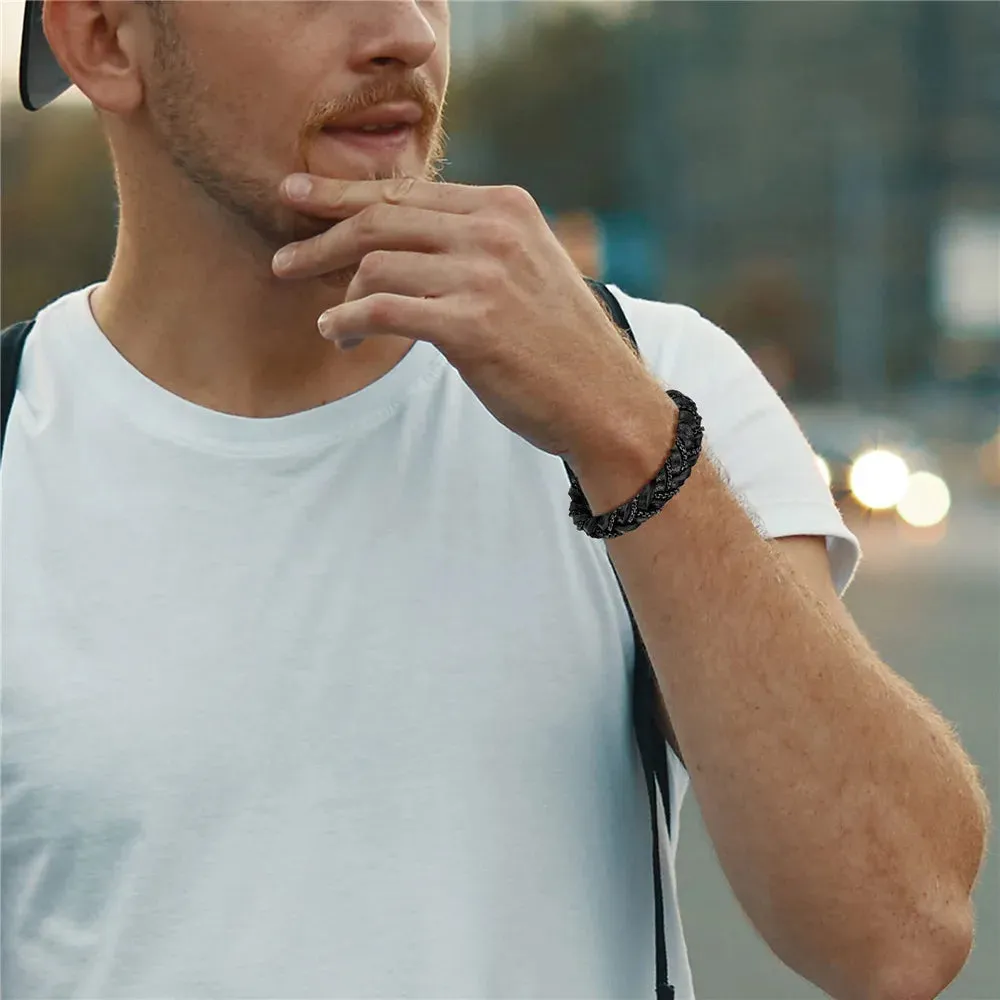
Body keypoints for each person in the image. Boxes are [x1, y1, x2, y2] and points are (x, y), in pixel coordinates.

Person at [1, 3, 990, 999]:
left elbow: (898, 931)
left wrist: (628, 437)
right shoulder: (16, 440)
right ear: (104, 40)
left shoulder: (654, 376)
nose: (408, 34)